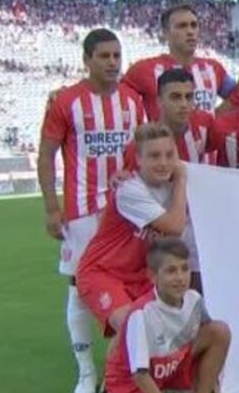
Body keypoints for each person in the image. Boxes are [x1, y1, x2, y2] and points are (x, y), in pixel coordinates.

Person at [37, 28, 144, 393]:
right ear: (87, 60)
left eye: (117, 55)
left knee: (132, 282)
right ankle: (85, 371)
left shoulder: (132, 101)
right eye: (104, 56)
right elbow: (47, 154)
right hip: (81, 212)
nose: (113, 62)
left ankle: (129, 365)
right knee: (79, 288)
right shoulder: (67, 102)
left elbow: (140, 152)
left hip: (125, 211)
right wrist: (52, 207)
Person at [106, 237, 234, 393]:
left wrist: (214, 383)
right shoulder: (142, 314)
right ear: (153, 276)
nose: (180, 278)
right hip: (134, 378)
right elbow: (139, 374)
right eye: (171, 271)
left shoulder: (194, 299)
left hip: (170, 363)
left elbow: (208, 332)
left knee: (219, 330)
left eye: (185, 269)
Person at [77, 122, 189, 340]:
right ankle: (102, 374)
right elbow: (175, 227)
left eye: (169, 155)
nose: (164, 163)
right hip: (103, 272)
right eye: (155, 156)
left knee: (161, 336)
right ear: (138, 159)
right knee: (134, 330)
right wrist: (182, 179)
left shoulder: (171, 186)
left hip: (141, 276)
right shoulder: (130, 190)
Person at [123, 69, 213, 290]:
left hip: (199, 227)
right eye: (175, 97)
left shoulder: (206, 125)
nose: (184, 104)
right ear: (159, 100)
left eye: (189, 97)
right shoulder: (143, 143)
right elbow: (131, 180)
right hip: (163, 231)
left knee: (201, 294)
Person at [122, 3, 239, 121]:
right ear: (166, 33)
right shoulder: (144, 69)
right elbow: (115, 100)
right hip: (165, 138)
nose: (190, 31)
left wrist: (213, 119)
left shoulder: (213, 68)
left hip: (206, 139)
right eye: (182, 26)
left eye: (194, 25)